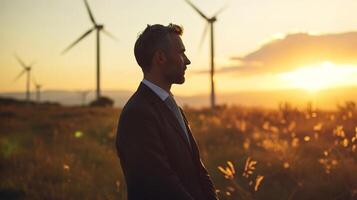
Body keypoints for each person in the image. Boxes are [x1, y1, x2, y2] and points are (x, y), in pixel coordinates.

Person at [116, 23, 218, 200]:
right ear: (160, 58)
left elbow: (198, 168)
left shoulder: (173, 107)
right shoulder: (137, 114)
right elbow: (160, 184)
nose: (187, 60)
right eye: (181, 52)